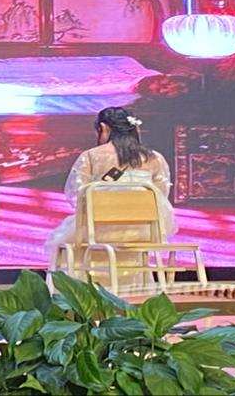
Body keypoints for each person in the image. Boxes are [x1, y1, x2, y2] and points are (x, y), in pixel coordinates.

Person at [45, 107, 176, 289]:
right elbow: (161, 196)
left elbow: (76, 195)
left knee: (65, 243)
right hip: (141, 232)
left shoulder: (92, 156)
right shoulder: (155, 158)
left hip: (99, 231)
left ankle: (82, 296)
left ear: (104, 128)